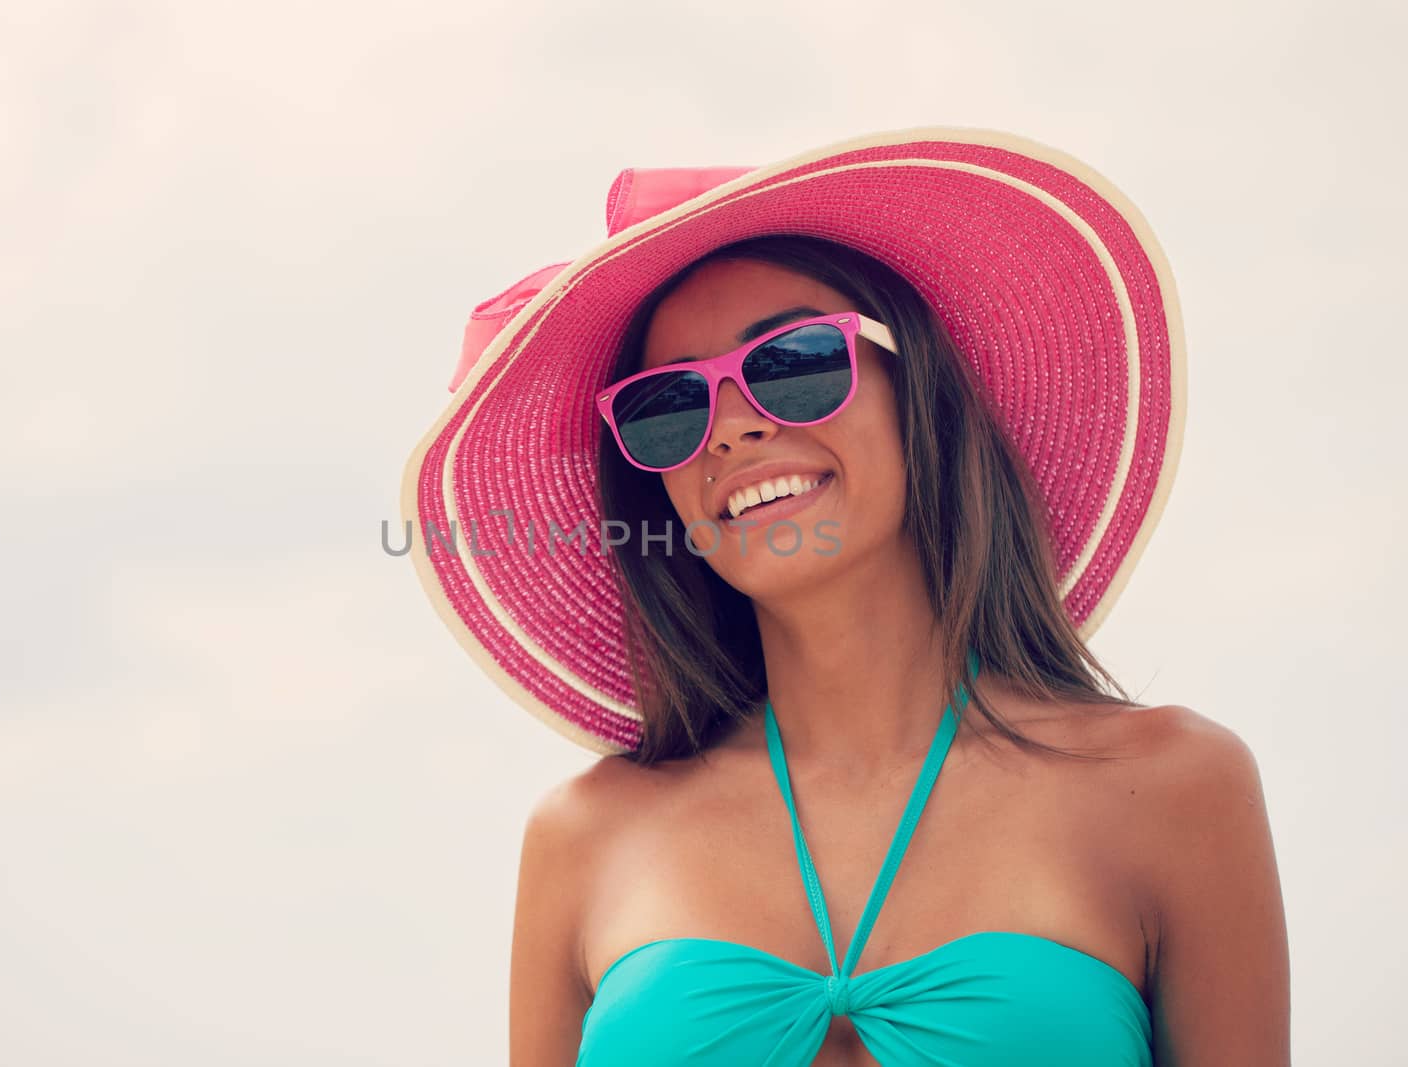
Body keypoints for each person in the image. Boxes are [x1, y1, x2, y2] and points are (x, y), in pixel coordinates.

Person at [401, 129, 1290, 1065]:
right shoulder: (584, 837)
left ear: (919, 389)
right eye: (667, 407)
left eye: (790, 364)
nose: (734, 431)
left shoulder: (1176, 789)